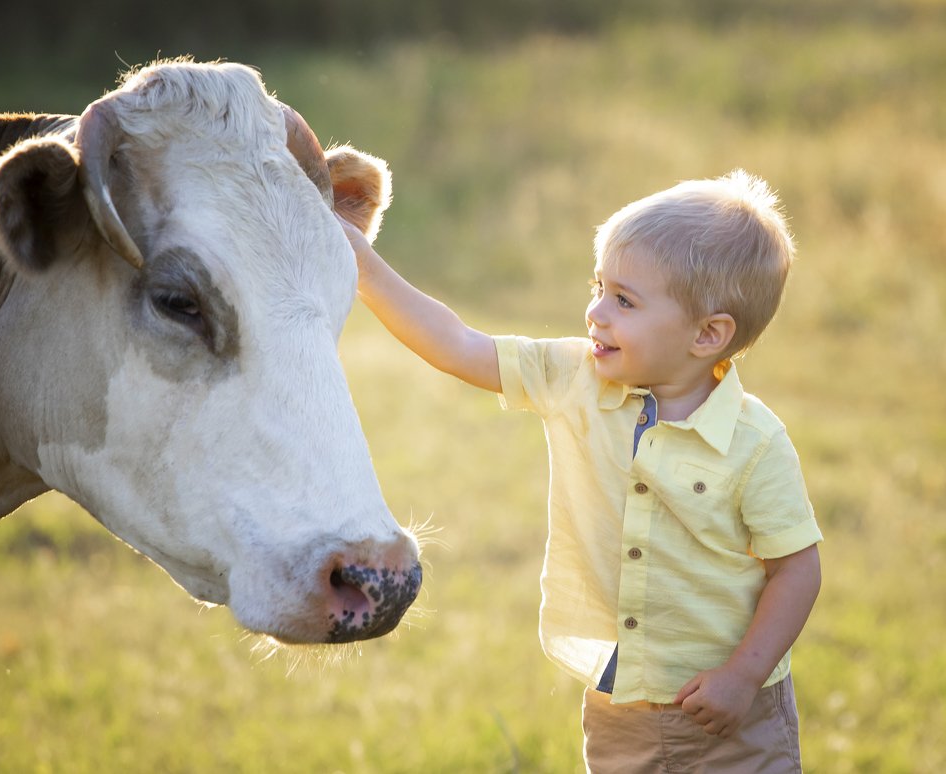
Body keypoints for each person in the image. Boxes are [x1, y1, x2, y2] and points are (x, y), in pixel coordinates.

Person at [341, 169, 822, 773]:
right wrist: (361, 263)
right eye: (598, 286)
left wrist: (742, 677)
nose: (595, 311)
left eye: (624, 300)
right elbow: (457, 344)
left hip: (734, 714)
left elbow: (796, 569)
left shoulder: (755, 443)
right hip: (621, 703)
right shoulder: (573, 379)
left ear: (707, 334)